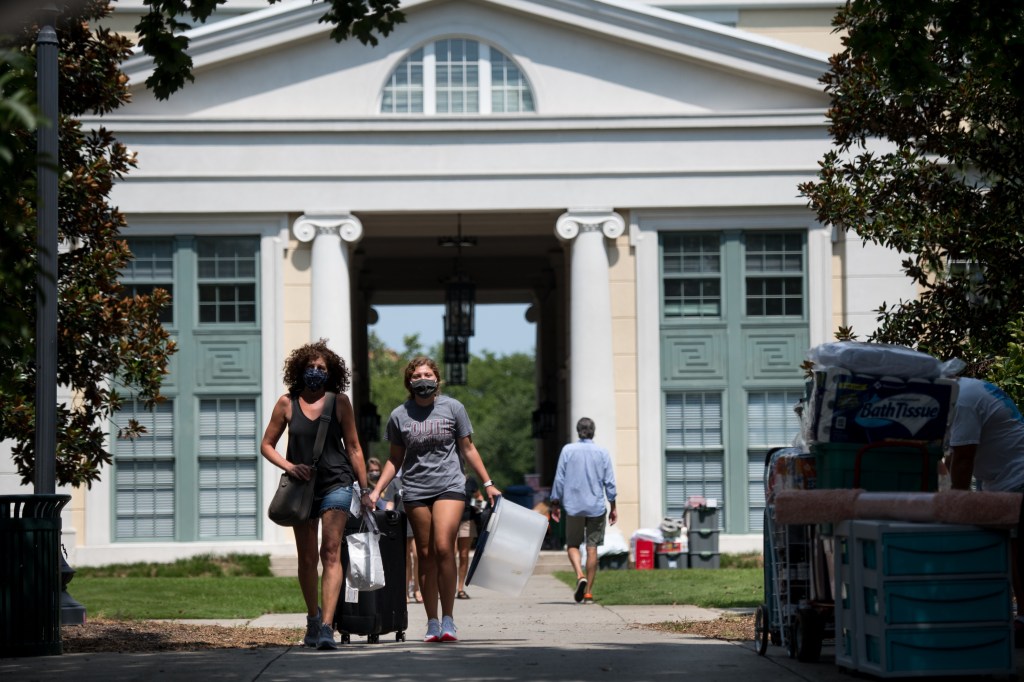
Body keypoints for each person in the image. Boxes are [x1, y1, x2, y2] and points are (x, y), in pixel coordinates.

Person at [369, 356, 500, 643]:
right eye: (417, 376)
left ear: (437, 379)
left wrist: (488, 483)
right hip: (415, 490)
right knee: (425, 554)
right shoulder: (399, 415)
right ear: (409, 381)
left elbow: (467, 449)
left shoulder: (453, 408)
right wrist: (377, 491)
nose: (423, 379)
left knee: (443, 547)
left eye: (428, 374)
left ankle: (449, 619)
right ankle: (431, 622)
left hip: (450, 486)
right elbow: (394, 459)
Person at [260, 340, 371, 650]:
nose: (315, 372)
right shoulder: (286, 403)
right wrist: (290, 466)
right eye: (310, 367)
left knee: (331, 552)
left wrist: (365, 490)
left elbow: (354, 447)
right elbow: (266, 444)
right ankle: (312, 617)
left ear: (331, 373)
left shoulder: (339, 402)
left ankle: (327, 627)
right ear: (300, 370)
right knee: (307, 558)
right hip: (301, 488)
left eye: (321, 368)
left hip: (337, 481)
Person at [948, 376, 1024, 632]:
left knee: (1016, 550)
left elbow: (963, 458)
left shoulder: (963, 401)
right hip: (1002, 480)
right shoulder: (969, 389)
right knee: (1012, 549)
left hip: (1016, 479)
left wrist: (954, 509)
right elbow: (953, 457)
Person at [550, 417, 617, 605]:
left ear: (578, 431)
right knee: (592, 547)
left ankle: (580, 576)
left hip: (574, 506)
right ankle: (588, 592)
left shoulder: (567, 450)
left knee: (572, 545)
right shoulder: (602, 452)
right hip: (595, 506)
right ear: (593, 431)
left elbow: (559, 478)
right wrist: (613, 506)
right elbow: (609, 482)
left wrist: (555, 503)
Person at [456, 475, 485, 599]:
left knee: (464, 555)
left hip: (467, 520)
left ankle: (460, 588)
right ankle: (446, 588)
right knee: (448, 555)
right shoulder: (446, 478)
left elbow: (479, 496)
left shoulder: (470, 481)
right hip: (448, 521)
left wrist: (478, 508)